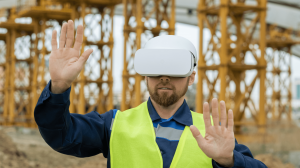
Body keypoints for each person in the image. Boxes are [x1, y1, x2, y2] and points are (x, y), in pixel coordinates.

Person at [34, 20, 267, 168]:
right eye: (156, 68)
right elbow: (61, 136)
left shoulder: (213, 133)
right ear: (145, 75)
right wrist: (59, 86)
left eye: (174, 69)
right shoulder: (114, 124)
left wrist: (229, 161)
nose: (164, 77)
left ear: (191, 76)